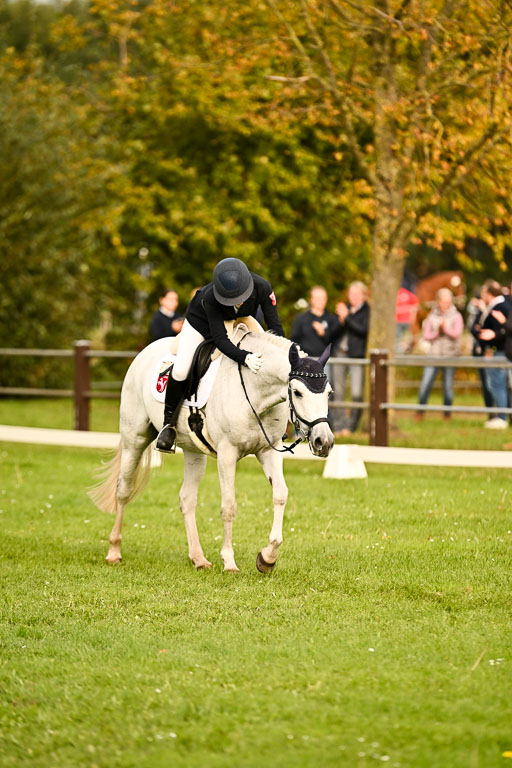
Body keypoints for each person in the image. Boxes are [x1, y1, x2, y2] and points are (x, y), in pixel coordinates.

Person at [156, 258, 284, 452]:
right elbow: (220, 340)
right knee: (182, 369)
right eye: (232, 299)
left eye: (240, 297)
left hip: (240, 318)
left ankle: (274, 420)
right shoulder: (210, 297)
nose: (238, 302)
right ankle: (168, 426)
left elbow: (275, 329)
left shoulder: (263, 287)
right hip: (200, 323)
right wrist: (245, 357)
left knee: (267, 349)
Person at [416, 288, 463, 420]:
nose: (446, 304)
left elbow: (457, 334)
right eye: (443, 301)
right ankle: (420, 411)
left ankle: (447, 414)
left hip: (450, 355)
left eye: (448, 302)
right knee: (426, 383)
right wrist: (437, 332)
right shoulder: (432, 316)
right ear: (438, 301)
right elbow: (426, 335)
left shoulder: (456, 316)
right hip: (434, 355)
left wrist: (445, 329)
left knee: (448, 386)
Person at [330, 281, 370, 436]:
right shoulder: (344, 308)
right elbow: (332, 333)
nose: (352, 297)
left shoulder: (367, 311)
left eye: (356, 294)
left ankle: (351, 427)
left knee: (356, 393)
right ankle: (339, 427)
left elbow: (363, 330)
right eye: (351, 294)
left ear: (363, 296)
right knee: (337, 391)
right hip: (340, 353)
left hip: (356, 356)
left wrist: (346, 318)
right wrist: (340, 321)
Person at [471, 279, 510, 429]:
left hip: (498, 351)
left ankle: (502, 417)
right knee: (496, 383)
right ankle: (501, 416)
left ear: (489, 293)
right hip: (495, 351)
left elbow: (503, 329)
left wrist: (493, 336)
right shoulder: (495, 306)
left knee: (498, 384)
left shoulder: (500, 306)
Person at [290, 286, 338, 358]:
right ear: (311, 299)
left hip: (325, 361)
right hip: (305, 360)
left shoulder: (332, 319)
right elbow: (294, 340)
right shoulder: (301, 318)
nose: (321, 301)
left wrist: (324, 334)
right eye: (318, 298)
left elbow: (335, 342)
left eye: (323, 298)